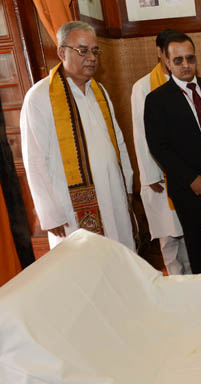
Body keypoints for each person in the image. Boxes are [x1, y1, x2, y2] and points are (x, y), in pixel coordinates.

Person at [20, 21, 134, 250]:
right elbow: (34, 160)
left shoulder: (99, 91)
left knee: (119, 258)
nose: (91, 57)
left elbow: (118, 142)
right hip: (70, 208)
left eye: (95, 51)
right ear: (62, 52)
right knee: (83, 269)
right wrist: (50, 213)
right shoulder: (40, 97)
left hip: (112, 195)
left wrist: (127, 185)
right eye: (83, 50)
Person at [144, 33, 201, 274]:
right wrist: (190, 179)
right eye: (178, 60)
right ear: (166, 62)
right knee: (196, 246)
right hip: (188, 186)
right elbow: (159, 147)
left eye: (190, 58)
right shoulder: (156, 99)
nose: (185, 65)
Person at [131, 29, 191, 275]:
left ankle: (192, 277)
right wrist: (150, 175)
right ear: (161, 53)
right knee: (168, 236)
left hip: (184, 171)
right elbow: (140, 134)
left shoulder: (187, 81)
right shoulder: (143, 86)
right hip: (159, 174)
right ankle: (175, 279)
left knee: (188, 231)